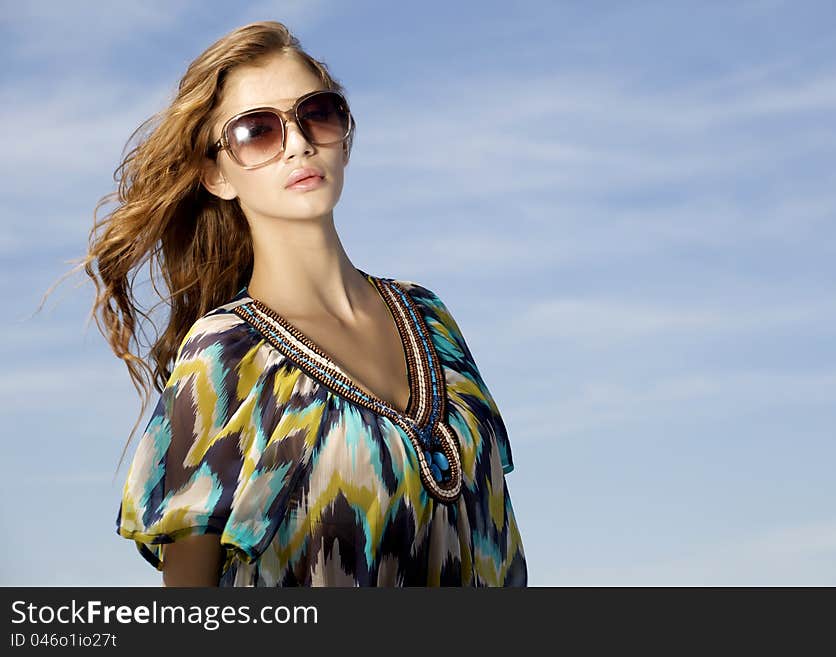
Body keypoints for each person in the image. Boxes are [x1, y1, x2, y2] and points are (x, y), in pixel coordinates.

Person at [86, 21, 526, 586]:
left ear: (343, 134)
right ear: (216, 174)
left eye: (316, 113)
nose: (298, 143)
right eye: (257, 132)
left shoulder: (430, 317)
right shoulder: (224, 355)